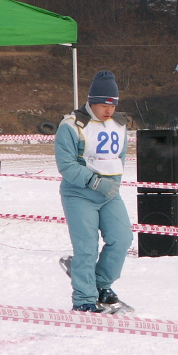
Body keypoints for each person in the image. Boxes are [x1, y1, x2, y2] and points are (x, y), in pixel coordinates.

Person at [55, 70, 134, 312]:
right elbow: (66, 165)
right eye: (103, 104)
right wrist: (95, 182)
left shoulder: (119, 125)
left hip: (110, 195)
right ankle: (83, 300)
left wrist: (115, 183)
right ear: (91, 101)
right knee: (86, 248)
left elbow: (118, 157)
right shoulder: (71, 126)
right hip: (79, 194)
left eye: (113, 104)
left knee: (122, 239)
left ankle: (101, 286)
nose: (108, 110)